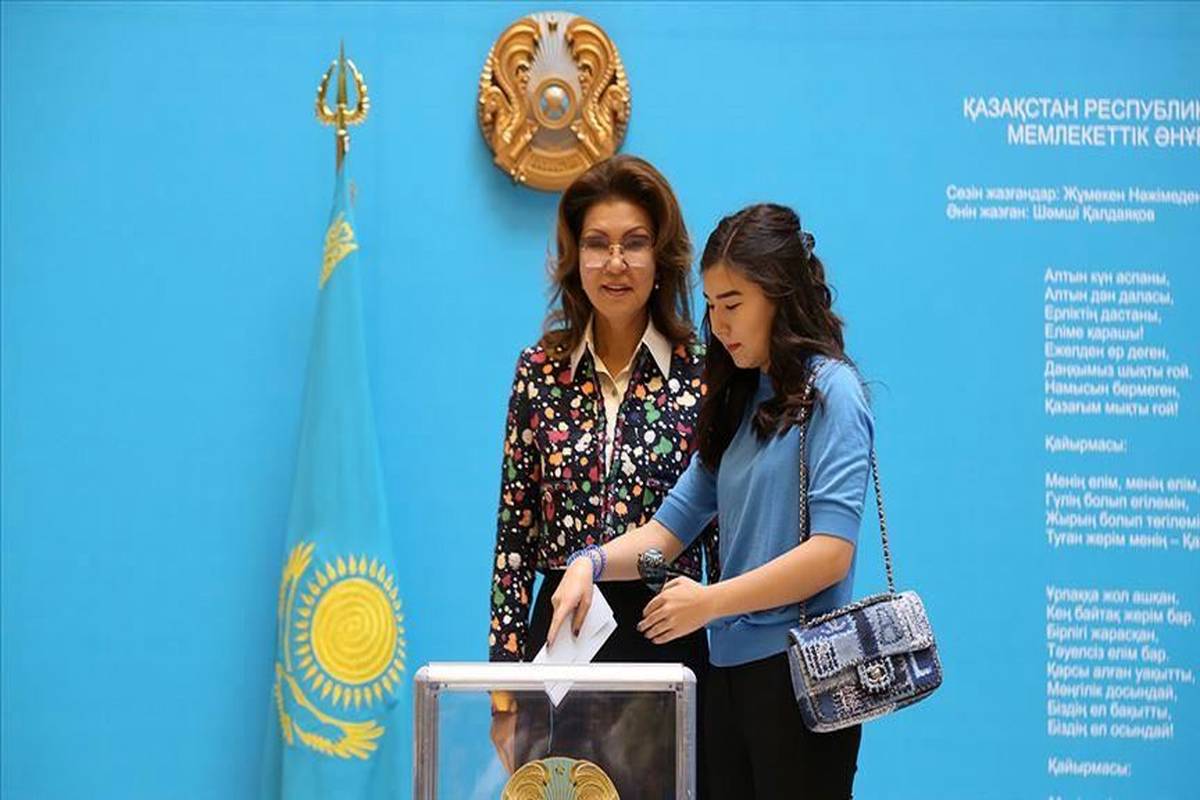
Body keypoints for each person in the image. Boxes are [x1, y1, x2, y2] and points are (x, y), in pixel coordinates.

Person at [548, 203, 872, 799]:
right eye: (712, 306)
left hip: (804, 680)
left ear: (780, 296)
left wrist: (710, 602)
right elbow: (665, 532)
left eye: (733, 304)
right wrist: (587, 563)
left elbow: (831, 555)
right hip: (726, 679)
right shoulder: (738, 403)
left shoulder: (833, 393)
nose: (718, 325)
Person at [488, 155, 718, 797]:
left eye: (634, 243)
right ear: (575, 258)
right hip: (561, 637)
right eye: (597, 244)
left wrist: (725, 681)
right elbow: (514, 538)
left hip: (665, 634)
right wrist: (503, 688)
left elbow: (721, 538)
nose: (615, 263)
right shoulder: (539, 370)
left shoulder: (704, 372)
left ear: (661, 256)